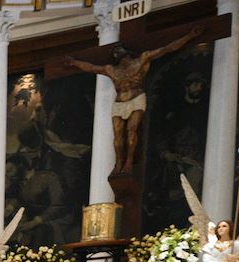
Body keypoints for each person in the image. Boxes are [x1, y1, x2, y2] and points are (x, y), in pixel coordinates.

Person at [63, 26, 201, 174]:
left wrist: (189, 36)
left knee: (131, 130)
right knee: (117, 134)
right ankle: (118, 162)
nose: (117, 53)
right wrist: (74, 63)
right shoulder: (111, 70)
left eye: (119, 50)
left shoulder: (141, 60)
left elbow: (166, 49)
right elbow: (91, 67)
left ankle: (129, 161)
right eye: (115, 52)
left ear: (127, 52)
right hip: (119, 103)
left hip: (136, 99)